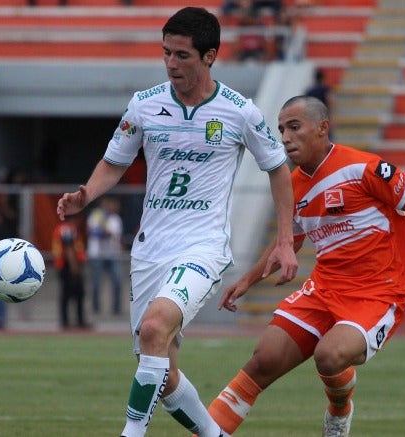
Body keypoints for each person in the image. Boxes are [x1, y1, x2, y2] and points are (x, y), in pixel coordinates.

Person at [55, 7, 298, 437]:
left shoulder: (240, 112)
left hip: (202, 247)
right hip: (150, 249)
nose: (171, 63)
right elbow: (114, 162)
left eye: (182, 55)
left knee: (154, 328)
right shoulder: (145, 106)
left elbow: (278, 169)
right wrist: (85, 195)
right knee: (161, 374)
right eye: (166, 53)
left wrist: (284, 241)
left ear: (210, 56)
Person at [203, 96, 405, 436]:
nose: (285, 137)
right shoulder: (293, 185)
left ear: (322, 128)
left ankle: (339, 412)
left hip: (377, 292)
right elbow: (290, 241)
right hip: (324, 288)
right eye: (281, 129)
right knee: (262, 360)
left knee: (329, 356)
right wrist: (248, 280)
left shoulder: (363, 168)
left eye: (294, 127)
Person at [86, 196, 124, 316]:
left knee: (117, 280)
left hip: (112, 253)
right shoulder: (95, 216)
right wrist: (102, 223)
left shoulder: (116, 219)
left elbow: (110, 234)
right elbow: (94, 232)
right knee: (96, 282)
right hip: (97, 254)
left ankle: (116, 309)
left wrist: (103, 226)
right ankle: (96, 308)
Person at [52, 214, 89, 330]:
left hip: (64, 265)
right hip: (68, 266)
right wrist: (74, 267)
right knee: (74, 293)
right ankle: (75, 321)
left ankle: (68, 321)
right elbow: (69, 248)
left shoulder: (61, 229)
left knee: (69, 293)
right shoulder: (67, 229)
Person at [304, 69, 335, 141]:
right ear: (323, 78)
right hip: (323, 117)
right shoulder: (325, 89)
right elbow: (330, 102)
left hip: (312, 118)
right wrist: (332, 118)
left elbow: (305, 106)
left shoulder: (309, 91)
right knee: (327, 138)